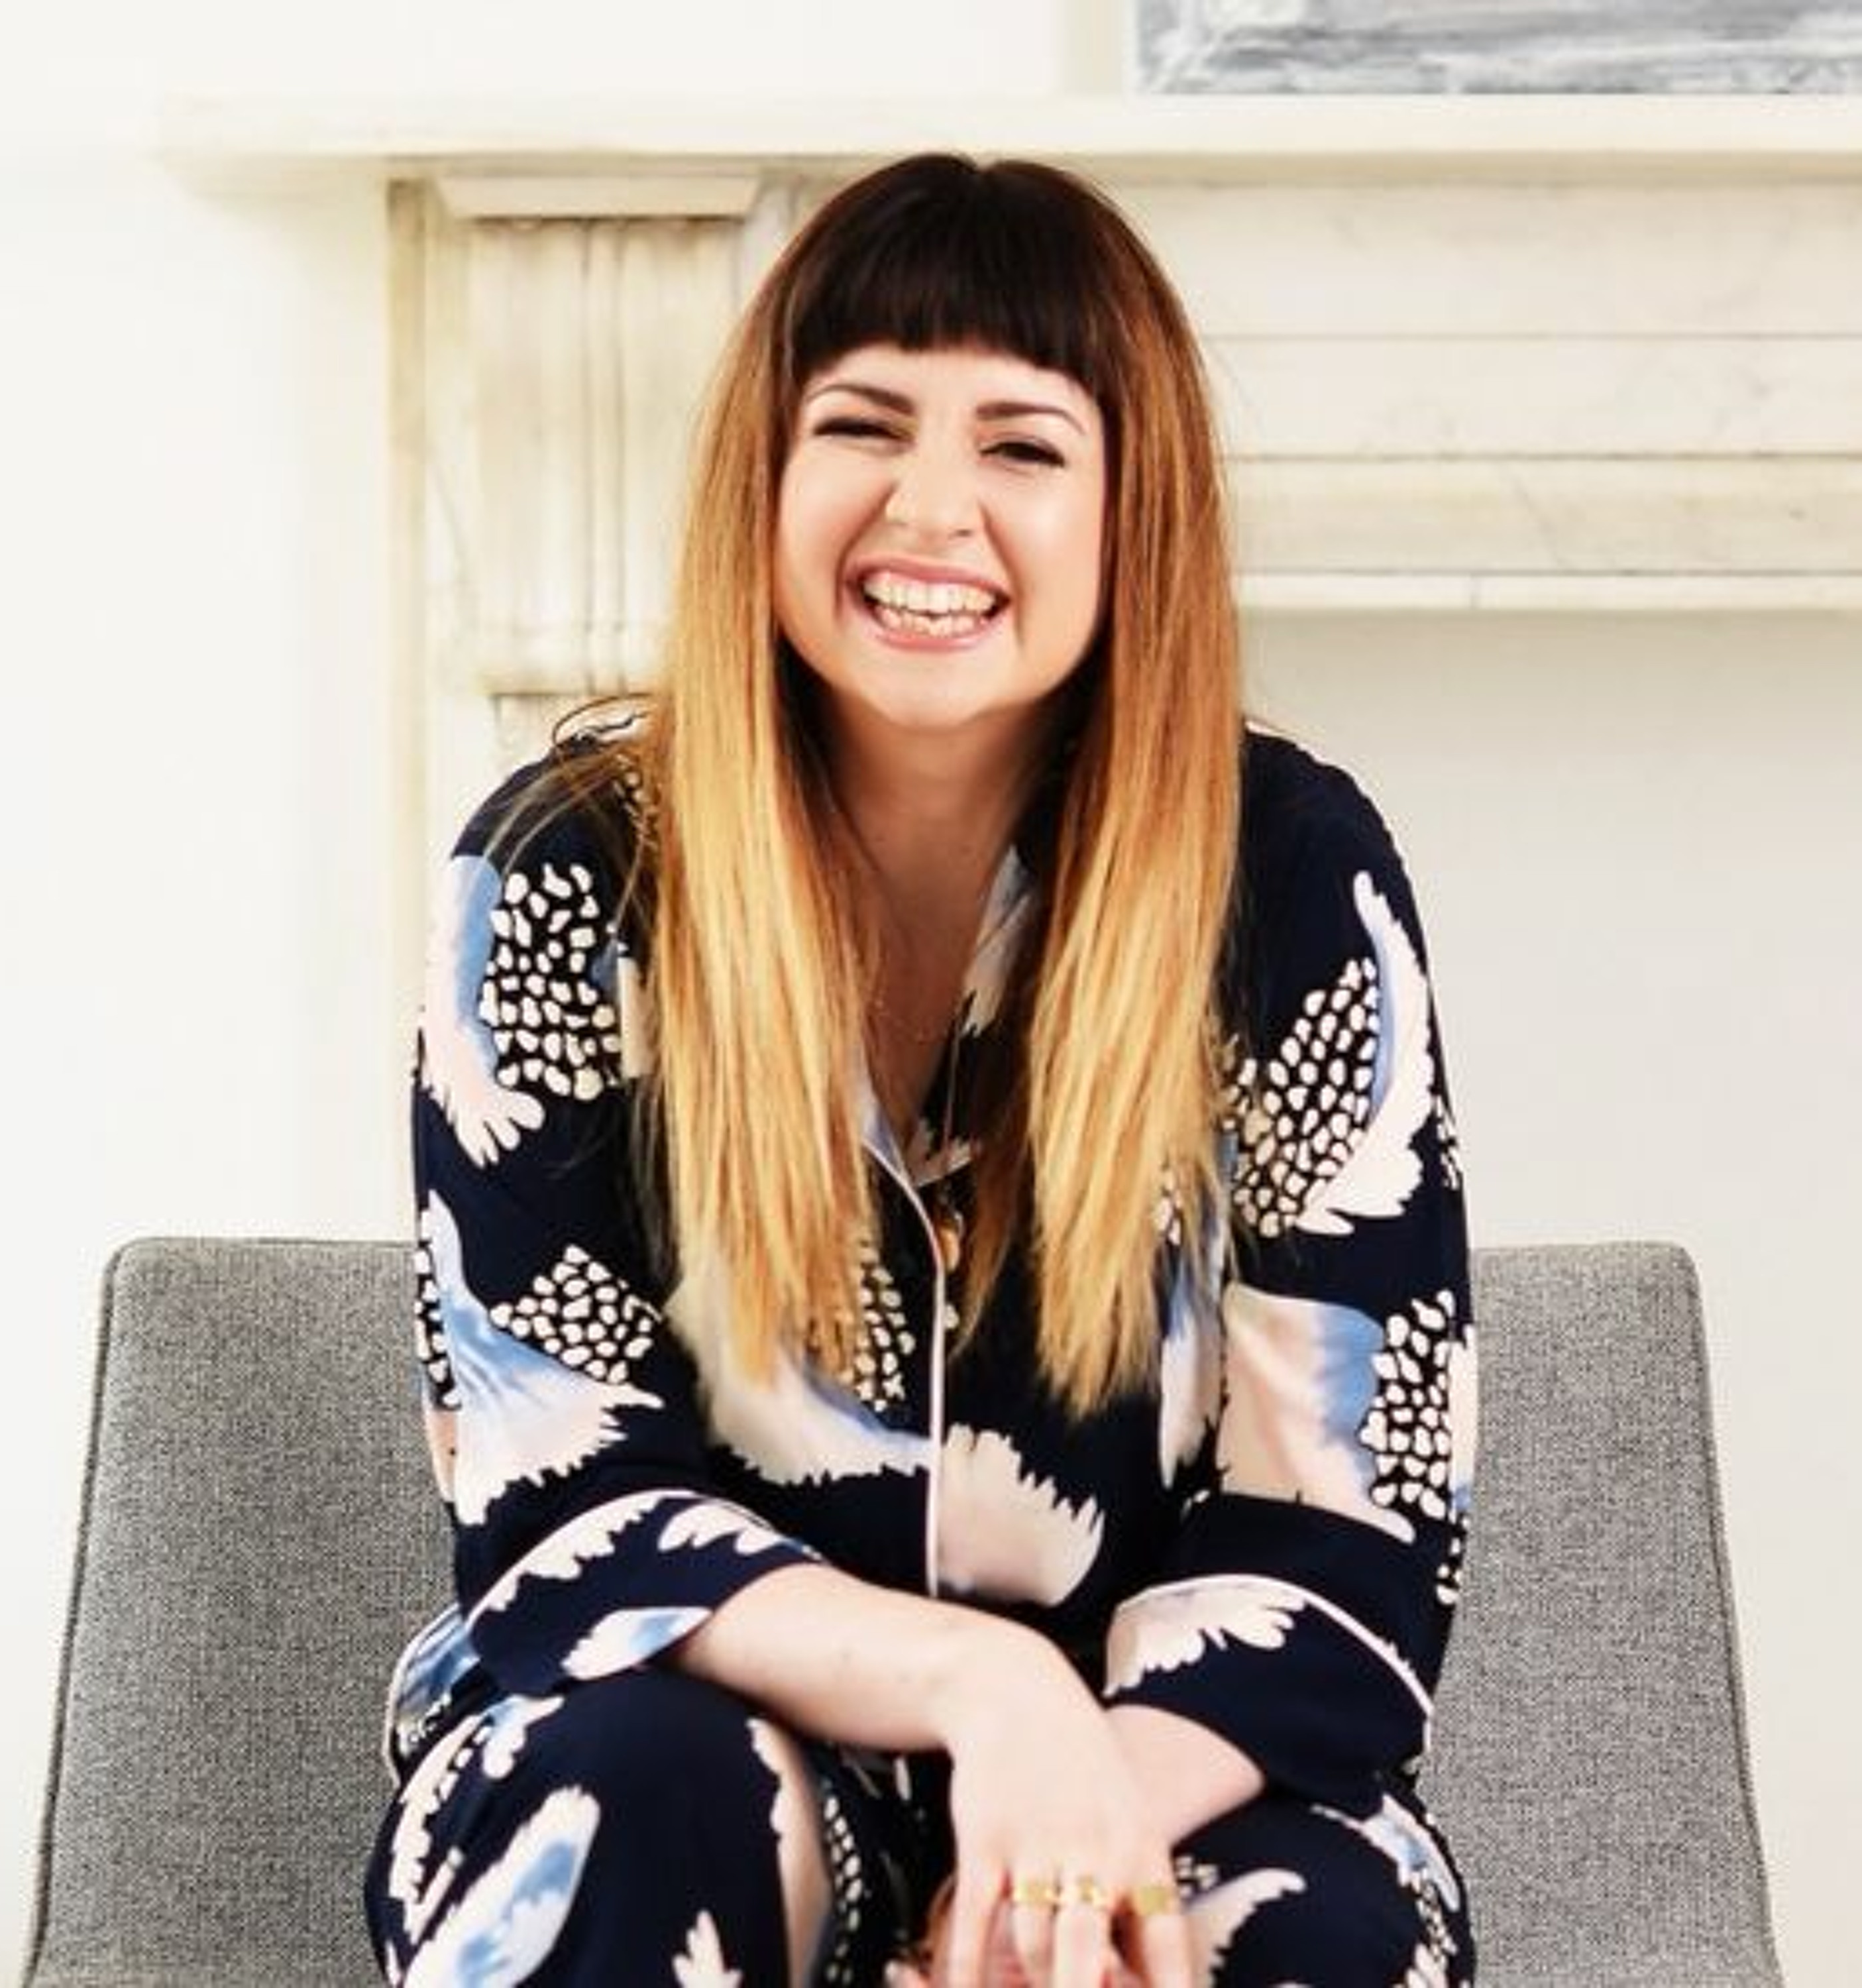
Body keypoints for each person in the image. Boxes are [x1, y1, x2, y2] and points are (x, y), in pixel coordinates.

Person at [363, 152, 1478, 1988]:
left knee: (1309, 1931)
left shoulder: (1288, 876)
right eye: (863, 425)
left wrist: (1070, 1824)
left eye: (1023, 446)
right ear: (766, 476)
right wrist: (982, 1689)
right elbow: (561, 1497)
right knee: (620, 1802)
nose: (931, 507)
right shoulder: (564, 873)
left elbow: (1345, 1533)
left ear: (1132, 515)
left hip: (1159, 1758)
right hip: (684, 1720)